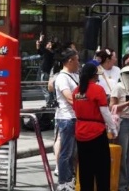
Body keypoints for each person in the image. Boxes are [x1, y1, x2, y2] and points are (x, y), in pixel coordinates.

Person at [72, 62, 117, 191]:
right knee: (102, 169)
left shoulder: (76, 91)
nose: (98, 77)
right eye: (97, 75)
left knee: (85, 169)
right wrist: (113, 128)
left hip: (80, 133)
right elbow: (105, 112)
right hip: (97, 133)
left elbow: (75, 110)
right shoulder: (98, 90)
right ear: (93, 76)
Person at [54, 49, 80, 191]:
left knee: (71, 153)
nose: (78, 63)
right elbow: (70, 98)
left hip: (73, 118)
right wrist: (85, 100)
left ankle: (69, 180)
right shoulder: (62, 78)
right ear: (70, 60)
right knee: (66, 152)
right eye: (77, 60)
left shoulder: (73, 76)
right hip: (66, 118)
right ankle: (63, 182)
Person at [110, 66, 129, 191]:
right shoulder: (118, 87)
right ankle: (121, 184)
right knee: (122, 153)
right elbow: (112, 106)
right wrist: (128, 102)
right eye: (128, 73)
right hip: (123, 121)